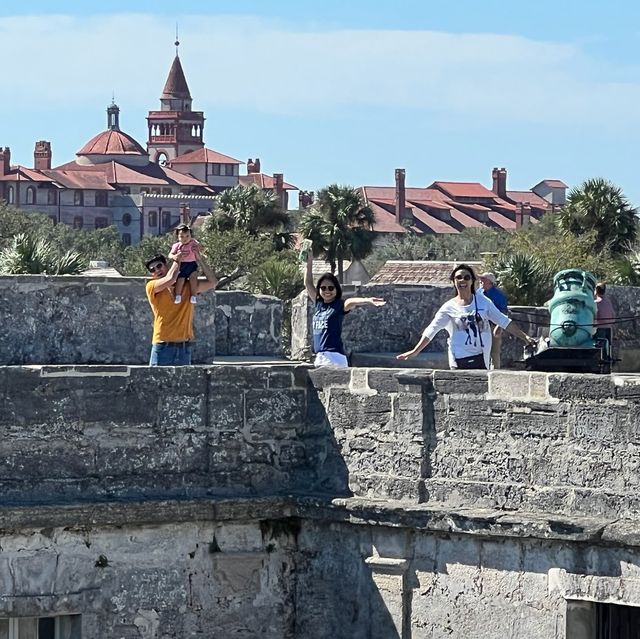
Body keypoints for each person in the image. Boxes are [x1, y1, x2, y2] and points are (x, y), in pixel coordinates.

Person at [397, 264, 536, 369]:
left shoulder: (483, 302)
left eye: (466, 277)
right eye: (458, 277)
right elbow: (431, 330)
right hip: (458, 360)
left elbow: (503, 321)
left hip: (481, 358)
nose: (462, 280)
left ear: (472, 282)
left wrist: (525, 337)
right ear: (454, 281)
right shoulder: (448, 307)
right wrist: (416, 351)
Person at [304, 250, 386, 367]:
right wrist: (310, 261)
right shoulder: (319, 305)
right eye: (324, 288)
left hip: (334, 357)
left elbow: (351, 302)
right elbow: (308, 283)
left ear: (336, 289)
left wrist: (367, 300)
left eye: (331, 288)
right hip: (320, 357)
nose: (327, 291)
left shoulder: (338, 305)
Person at [145, 251, 218, 366]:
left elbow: (213, 282)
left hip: (184, 346)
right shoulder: (152, 286)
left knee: (184, 383)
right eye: (152, 270)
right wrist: (177, 260)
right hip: (163, 344)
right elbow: (171, 279)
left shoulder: (188, 286)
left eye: (159, 266)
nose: (157, 270)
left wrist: (199, 259)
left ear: (167, 266)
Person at [478, 272, 509, 369]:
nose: (481, 281)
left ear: (490, 282)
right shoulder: (478, 293)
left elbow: (504, 312)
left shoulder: (499, 295)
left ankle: (496, 372)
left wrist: (498, 326)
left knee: (495, 350)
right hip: (480, 325)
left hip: (494, 325)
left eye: (484, 279)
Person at [168, 224, 202, 305]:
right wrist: (175, 256)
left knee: (193, 279)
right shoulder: (177, 245)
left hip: (192, 264)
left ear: (191, 235)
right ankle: (178, 295)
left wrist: (199, 249)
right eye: (182, 236)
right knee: (180, 280)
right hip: (182, 266)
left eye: (187, 236)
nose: (185, 239)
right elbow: (170, 255)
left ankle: (193, 295)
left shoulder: (193, 243)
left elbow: (201, 248)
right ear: (178, 237)